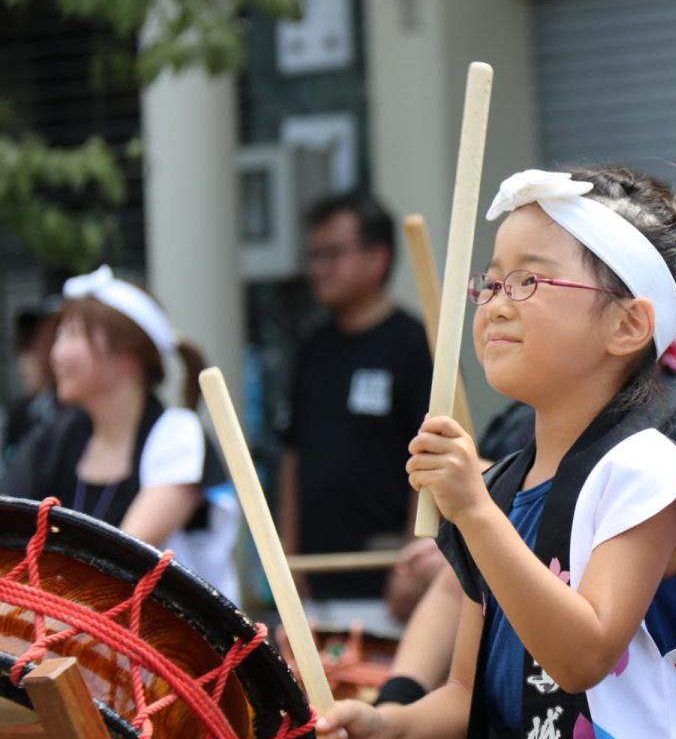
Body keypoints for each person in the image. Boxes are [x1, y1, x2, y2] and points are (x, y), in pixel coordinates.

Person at [316, 167, 676, 739]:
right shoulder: (500, 488)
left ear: (628, 324)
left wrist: (472, 512)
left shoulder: (647, 471)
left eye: (527, 280)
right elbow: (473, 697)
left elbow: (582, 654)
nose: (496, 302)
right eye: (491, 282)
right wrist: (386, 728)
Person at [1, 265, 240, 602]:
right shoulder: (56, 440)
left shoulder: (177, 436)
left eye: (70, 335)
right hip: (76, 643)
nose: (55, 355)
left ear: (125, 357)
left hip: (180, 650)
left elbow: (121, 560)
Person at [278, 191, 434, 622]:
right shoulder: (311, 348)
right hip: (315, 586)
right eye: (314, 254)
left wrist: (413, 561)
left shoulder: (413, 345)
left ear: (378, 257)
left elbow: (434, 461)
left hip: (388, 587)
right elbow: (293, 457)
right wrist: (288, 557)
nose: (318, 269)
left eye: (333, 253)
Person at [4, 302, 60, 461]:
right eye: (22, 350)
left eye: (33, 348)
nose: (23, 363)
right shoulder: (17, 416)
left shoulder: (78, 415)